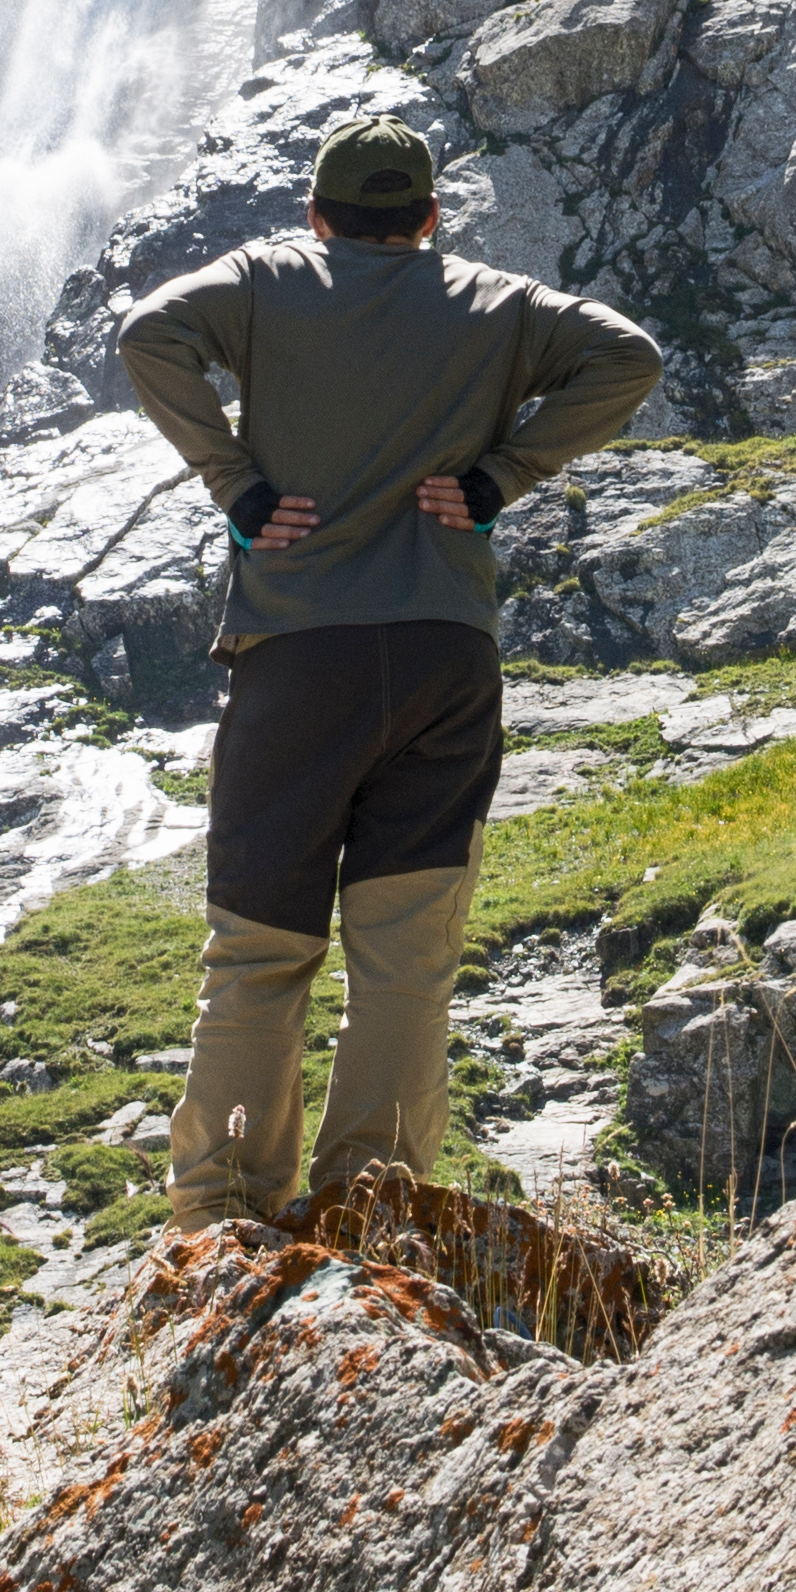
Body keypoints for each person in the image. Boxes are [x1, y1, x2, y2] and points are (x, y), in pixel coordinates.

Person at [114, 116, 662, 1231]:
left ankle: (225, 1215)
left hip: (298, 656)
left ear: (317, 215)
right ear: (430, 217)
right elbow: (631, 357)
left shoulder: (266, 279)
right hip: (443, 656)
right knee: (408, 956)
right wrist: (502, 478)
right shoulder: (496, 302)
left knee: (260, 951)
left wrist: (237, 486)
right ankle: (374, 1207)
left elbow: (146, 334)